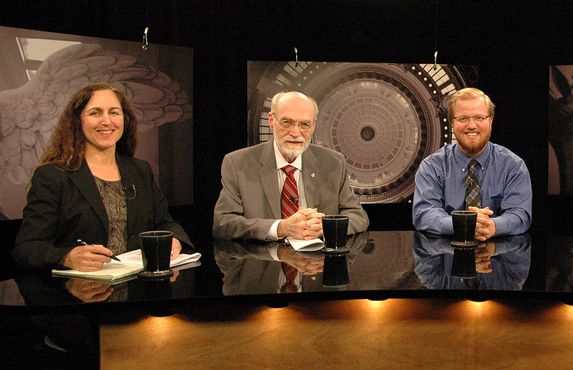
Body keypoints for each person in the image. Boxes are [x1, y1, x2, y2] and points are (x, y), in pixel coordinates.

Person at [12, 82, 193, 272]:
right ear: (77, 121)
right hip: (80, 293)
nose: (106, 121)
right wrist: (66, 257)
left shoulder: (140, 170)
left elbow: (166, 222)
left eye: (114, 112)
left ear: (125, 120)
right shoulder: (53, 176)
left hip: (140, 291)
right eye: (95, 113)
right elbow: (27, 248)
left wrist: (174, 240)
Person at [213, 91, 369, 241]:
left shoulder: (334, 162)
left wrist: (326, 226)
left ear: (314, 125)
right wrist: (281, 228)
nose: (295, 132)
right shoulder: (237, 163)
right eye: (287, 122)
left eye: (304, 124)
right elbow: (223, 223)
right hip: (263, 262)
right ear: (271, 120)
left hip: (318, 263)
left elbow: (358, 216)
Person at [412, 88, 532, 241]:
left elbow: (520, 215)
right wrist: (463, 225)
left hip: (499, 260)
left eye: (479, 117)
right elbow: (424, 214)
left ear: (491, 120)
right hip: (444, 259)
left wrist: (491, 226)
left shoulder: (513, 166)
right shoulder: (431, 167)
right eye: (463, 118)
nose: (472, 125)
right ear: (452, 122)